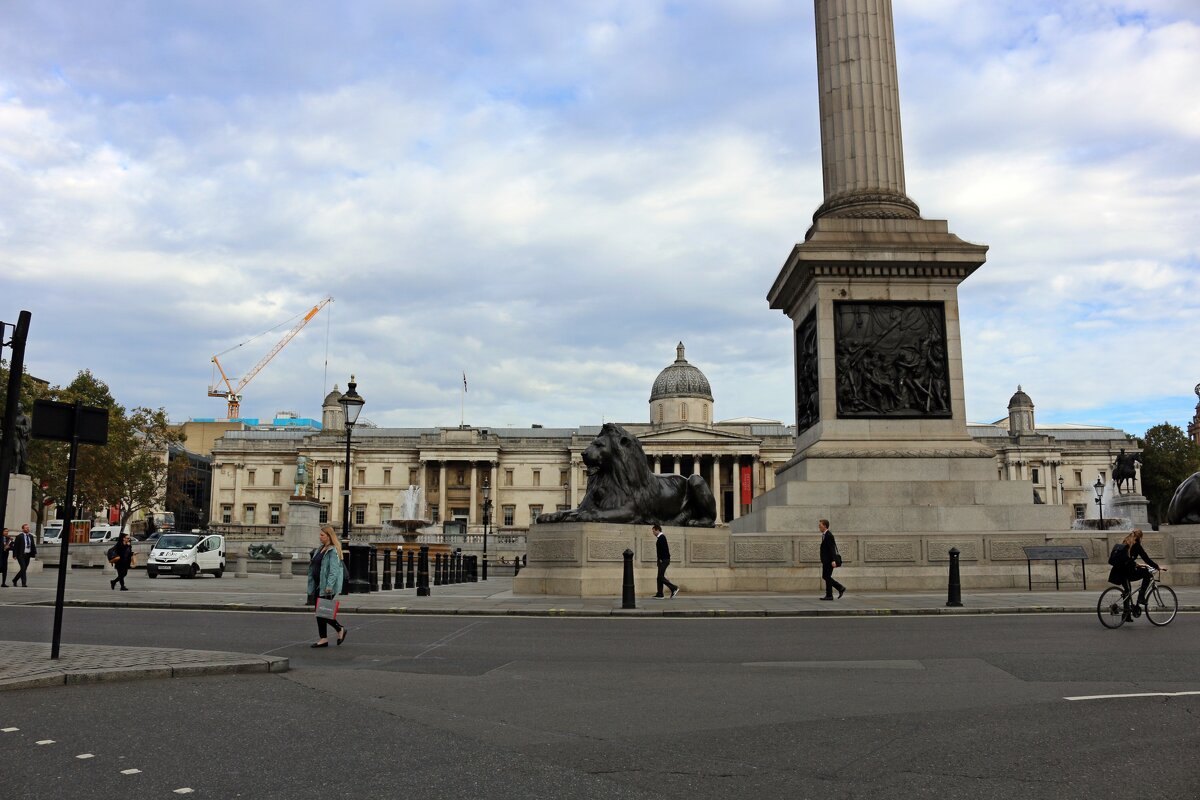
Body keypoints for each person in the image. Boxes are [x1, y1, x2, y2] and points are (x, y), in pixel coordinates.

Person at [307, 525, 347, 647]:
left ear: (329, 536)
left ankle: (339, 628)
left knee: (323, 611)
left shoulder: (333, 550)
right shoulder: (321, 548)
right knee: (320, 612)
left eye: (322, 535)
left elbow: (334, 571)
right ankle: (323, 638)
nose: (320, 537)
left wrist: (329, 585)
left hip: (326, 586)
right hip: (318, 584)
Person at [1108, 528, 1163, 613]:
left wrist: (1138, 565)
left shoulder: (1125, 541)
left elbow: (1128, 559)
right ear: (1140, 537)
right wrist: (1157, 566)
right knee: (1147, 574)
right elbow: (1146, 558)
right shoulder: (1136, 545)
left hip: (1118, 571)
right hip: (1126, 572)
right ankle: (1141, 597)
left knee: (1127, 591)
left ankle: (1126, 616)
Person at [818, 519, 845, 600]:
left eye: (820, 525)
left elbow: (832, 549)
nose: (819, 527)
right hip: (826, 560)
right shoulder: (825, 535)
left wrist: (833, 560)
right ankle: (830, 594)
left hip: (829, 561)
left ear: (825, 526)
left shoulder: (829, 535)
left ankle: (838, 589)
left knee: (826, 576)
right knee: (826, 576)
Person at [652, 524, 679, 599]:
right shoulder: (660, 538)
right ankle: (660, 594)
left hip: (664, 560)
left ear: (657, 530)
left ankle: (674, 588)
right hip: (663, 560)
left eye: (654, 531)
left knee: (660, 576)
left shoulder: (662, 537)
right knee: (659, 577)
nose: (653, 533)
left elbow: (664, 550)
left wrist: (660, 559)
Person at [11, 523, 36, 587]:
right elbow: (15, 547)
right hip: (21, 555)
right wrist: (14, 555)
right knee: (23, 568)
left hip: (28, 555)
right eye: (26, 528)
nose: (27, 529)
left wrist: (34, 553)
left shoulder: (30, 536)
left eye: (28, 528)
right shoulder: (19, 536)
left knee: (24, 569)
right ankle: (24, 583)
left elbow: (33, 545)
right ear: (23, 529)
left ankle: (15, 580)